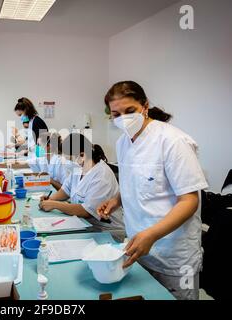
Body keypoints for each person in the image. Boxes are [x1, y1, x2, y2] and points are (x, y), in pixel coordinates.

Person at [98, 81, 208, 300]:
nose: (123, 119)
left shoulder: (173, 141)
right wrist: (115, 200)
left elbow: (189, 201)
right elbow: (136, 182)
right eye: (116, 114)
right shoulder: (123, 143)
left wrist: (152, 234)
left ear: (145, 106)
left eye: (130, 111)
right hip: (139, 248)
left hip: (176, 256)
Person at [39, 133, 125, 239]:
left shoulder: (101, 175)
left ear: (82, 154)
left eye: (70, 158)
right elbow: (66, 190)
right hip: (84, 224)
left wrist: (55, 204)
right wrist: (50, 199)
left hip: (106, 231)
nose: (68, 162)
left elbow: (86, 211)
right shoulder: (79, 168)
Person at [0, 132, 69, 190]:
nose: (37, 148)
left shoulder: (61, 163)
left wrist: (50, 180)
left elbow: (66, 190)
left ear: (48, 146)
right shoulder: (42, 159)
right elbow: (18, 164)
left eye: (39, 145)